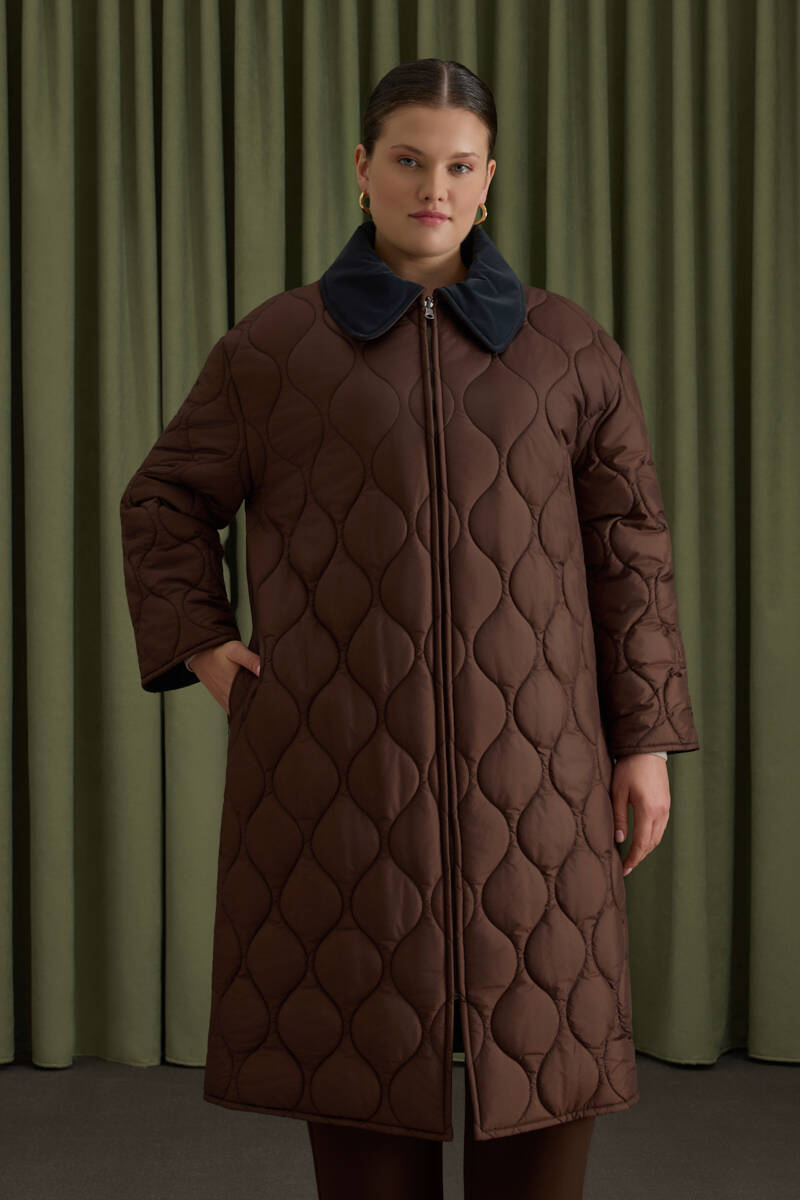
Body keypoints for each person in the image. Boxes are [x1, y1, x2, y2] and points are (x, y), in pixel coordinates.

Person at [120, 57, 699, 1200]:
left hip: (539, 775)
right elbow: (165, 502)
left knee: (544, 1075)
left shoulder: (570, 347)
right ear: (361, 168)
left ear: (488, 179)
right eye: (408, 159)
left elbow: (628, 549)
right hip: (341, 778)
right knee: (359, 1081)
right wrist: (205, 648)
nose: (434, 187)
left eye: (459, 165)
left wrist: (642, 743)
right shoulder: (274, 348)